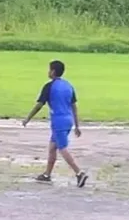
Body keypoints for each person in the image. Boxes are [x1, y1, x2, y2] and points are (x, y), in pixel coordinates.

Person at [22, 60, 88, 188]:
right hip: (68, 120)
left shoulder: (49, 87)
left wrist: (28, 118)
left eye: (49, 69)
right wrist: (77, 125)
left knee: (62, 148)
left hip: (58, 121)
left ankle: (79, 173)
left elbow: (39, 105)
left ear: (52, 71)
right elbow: (74, 106)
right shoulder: (68, 86)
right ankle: (47, 174)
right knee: (53, 147)